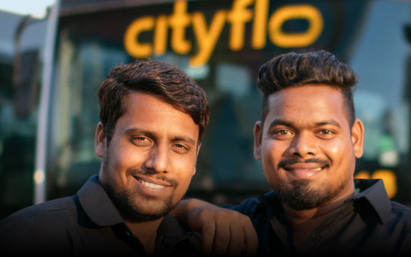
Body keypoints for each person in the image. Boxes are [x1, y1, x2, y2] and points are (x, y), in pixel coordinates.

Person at [172, 51, 411, 256]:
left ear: (356, 138)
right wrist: (189, 210)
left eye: (325, 131)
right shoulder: (225, 229)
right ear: (258, 140)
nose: (302, 148)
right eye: (283, 131)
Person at [0, 58, 245, 256]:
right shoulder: (31, 236)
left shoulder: (201, 242)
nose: (159, 164)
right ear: (101, 140)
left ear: (195, 158)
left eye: (180, 146)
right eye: (141, 139)